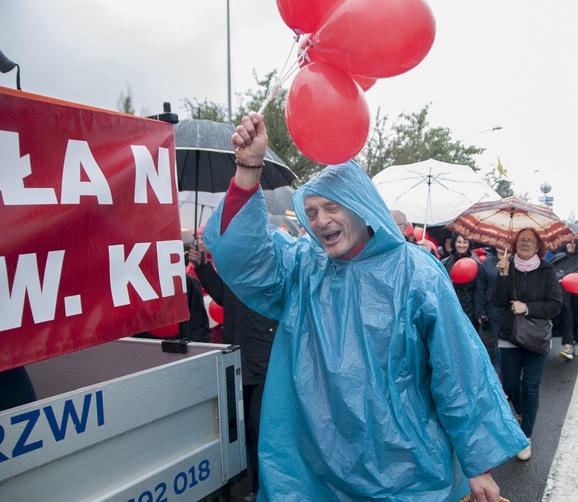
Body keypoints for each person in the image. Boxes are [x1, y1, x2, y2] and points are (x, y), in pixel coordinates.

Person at [202, 112, 527, 501]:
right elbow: (244, 258)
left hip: (408, 471)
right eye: (311, 213)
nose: (321, 221)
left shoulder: (415, 272)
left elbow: (456, 368)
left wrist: (479, 464)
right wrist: (248, 170)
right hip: (317, 471)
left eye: (331, 207)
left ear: (358, 207)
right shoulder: (305, 266)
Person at [188, 240, 277, 500]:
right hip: (238, 362)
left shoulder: (271, 269)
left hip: (264, 364)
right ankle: (246, 484)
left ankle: (263, 488)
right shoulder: (235, 269)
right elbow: (222, 296)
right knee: (238, 429)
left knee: (258, 428)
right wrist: (203, 266)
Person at [492, 228, 563, 461]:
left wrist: (528, 307)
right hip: (509, 334)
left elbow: (555, 305)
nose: (525, 243)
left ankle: (526, 437)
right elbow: (497, 301)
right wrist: (502, 277)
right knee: (511, 384)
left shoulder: (547, 271)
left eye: (530, 241)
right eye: (521, 240)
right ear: (515, 244)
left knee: (531, 386)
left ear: (538, 246)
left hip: (535, 336)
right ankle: (521, 411)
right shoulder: (506, 265)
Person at [474, 247, 507, 374]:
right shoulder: (487, 264)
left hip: (510, 312)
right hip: (492, 311)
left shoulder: (517, 262)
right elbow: (480, 289)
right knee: (494, 347)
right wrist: (480, 312)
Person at [441, 233, 480, 329]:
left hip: (469, 309)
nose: (462, 245)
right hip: (450, 307)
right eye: (459, 242)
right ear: (454, 243)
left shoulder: (476, 264)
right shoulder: (445, 263)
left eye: (465, 242)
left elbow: (479, 289)